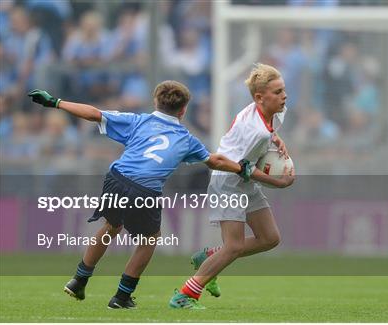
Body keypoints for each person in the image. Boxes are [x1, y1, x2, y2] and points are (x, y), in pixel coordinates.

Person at [27, 80, 253, 309]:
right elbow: (215, 160)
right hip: (144, 189)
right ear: (184, 109)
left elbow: (94, 114)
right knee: (149, 240)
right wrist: (241, 168)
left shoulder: (138, 121)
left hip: (116, 178)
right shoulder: (186, 139)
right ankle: (122, 296)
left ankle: (79, 280)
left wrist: (56, 102)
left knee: (110, 227)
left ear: (155, 101)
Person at [169, 63, 295, 310]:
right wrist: (278, 183)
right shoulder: (254, 131)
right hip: (227, 180)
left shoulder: (271, 113)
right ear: (260, 98)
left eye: (283, 90)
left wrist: (277, 139)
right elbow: (241, 167)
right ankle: (185, 295)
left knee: (270, 238)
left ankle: (210, 257)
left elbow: (267, 136)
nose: (284, 96)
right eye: (278, 92)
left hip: (242, 179)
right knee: (234, 246)